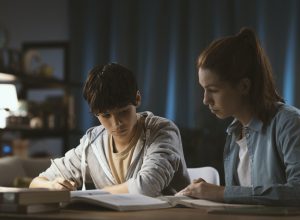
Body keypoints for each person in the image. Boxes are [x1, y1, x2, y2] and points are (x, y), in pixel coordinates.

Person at [176, 27, 300, 206]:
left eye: (213, 90)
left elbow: (297, 191)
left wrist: (221, 192)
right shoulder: (234, 133)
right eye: (204, 89)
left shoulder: (289, 123)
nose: (205, 100)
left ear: (244, 86)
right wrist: (207, 192)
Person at [30, 63, 190, 196]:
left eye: (123, 111)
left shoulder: (162, 131)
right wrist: (52, 186)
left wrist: (92, 196)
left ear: (138, 99)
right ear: (95, 113)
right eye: (106, 115)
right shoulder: (92, 143)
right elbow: (36, 183)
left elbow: (146, 187)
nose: (116, 123)